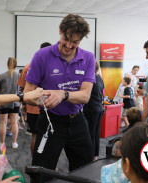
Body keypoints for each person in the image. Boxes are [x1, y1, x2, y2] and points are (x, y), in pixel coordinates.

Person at [25, 14, 96, 173]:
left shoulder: (88, 58)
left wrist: (63, 94)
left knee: (85, 170)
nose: (69, 45)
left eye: (75, 42)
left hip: (77, 121)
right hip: (50, 122)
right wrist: (43, 97)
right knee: (41, 172)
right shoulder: (41, 56)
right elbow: (28, 92)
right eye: (66, 39)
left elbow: (85, 96)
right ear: (60, 31)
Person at [17, 41, 52, 155]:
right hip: (48, 108)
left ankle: (35, 163)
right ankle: (48, 166)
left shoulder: (28, 66)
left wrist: (23, 104)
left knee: (35, 135)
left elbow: (22, 89)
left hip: (33, 107)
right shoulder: (52, 66)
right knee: (48, 137)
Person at [0, 57, 20, 149]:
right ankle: (14, 142)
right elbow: (21, 88)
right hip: (15, 102)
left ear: (7, 65)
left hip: (3, 102)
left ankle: (2, 143)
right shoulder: (18, 76)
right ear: (16, 65)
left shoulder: (2, 75)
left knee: (3, 123)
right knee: (14, 122)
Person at [83, 61, 104, 161]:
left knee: (90, 133)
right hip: (98, 108)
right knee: (95, 132)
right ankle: (94, 155)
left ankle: (90, 156)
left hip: (92, 109)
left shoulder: (91, 79)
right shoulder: (99, 78)